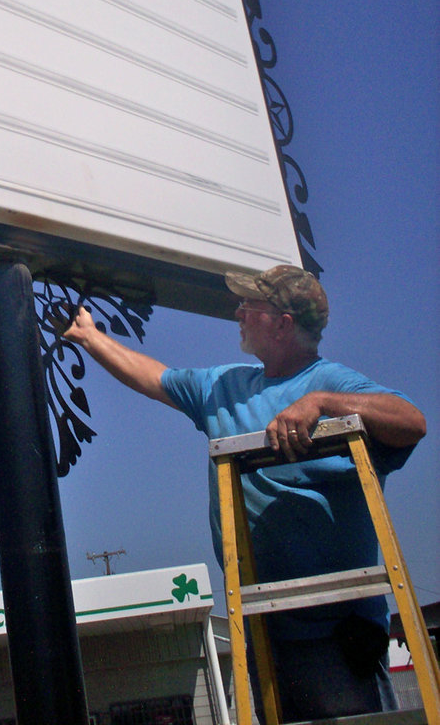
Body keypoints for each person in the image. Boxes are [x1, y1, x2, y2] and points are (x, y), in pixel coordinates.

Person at [63, 264, 426, 722]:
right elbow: (155, 378)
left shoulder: (332, 382)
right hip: (262, 629)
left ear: (282, 323)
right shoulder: (227, 387)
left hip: (335, 638)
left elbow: (411, 421)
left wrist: (322, 404)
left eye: (248, 305)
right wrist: (91, 337)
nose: (237, 311)